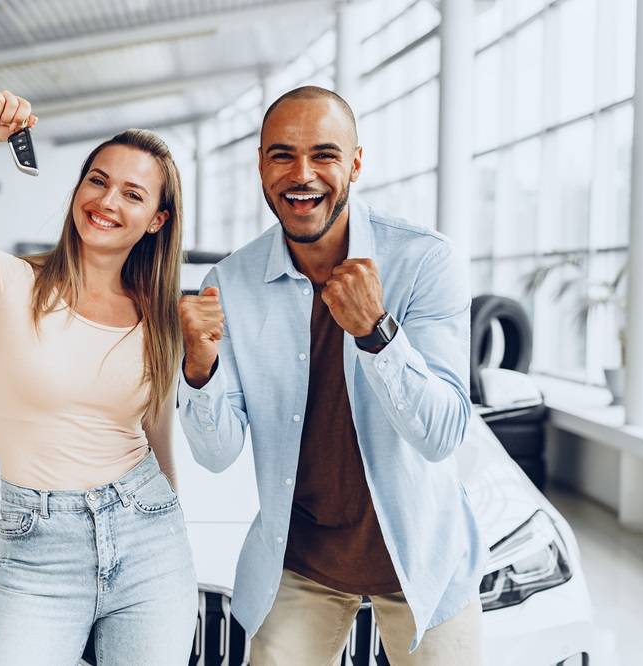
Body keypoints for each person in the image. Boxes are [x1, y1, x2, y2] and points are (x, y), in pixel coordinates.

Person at [0, 90, 197, 665]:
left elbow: (157, 428)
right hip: (39, 549)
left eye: (133, 193)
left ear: (156, 220)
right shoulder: (8, 283)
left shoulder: (158, 312)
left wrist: (172, 508)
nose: (107, 200)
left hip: (150, 536)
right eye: (97, 181)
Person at [177, 86, 485, 665]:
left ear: (356, 164)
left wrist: (376, 332)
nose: (302, 175)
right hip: (301, 563)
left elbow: (442, 434)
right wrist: (198, 369)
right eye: (282, 155)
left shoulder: (424, 261)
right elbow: (216, 455)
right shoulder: (233, 280)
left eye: (323, 154)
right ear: (261, 166)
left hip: (423, 559)